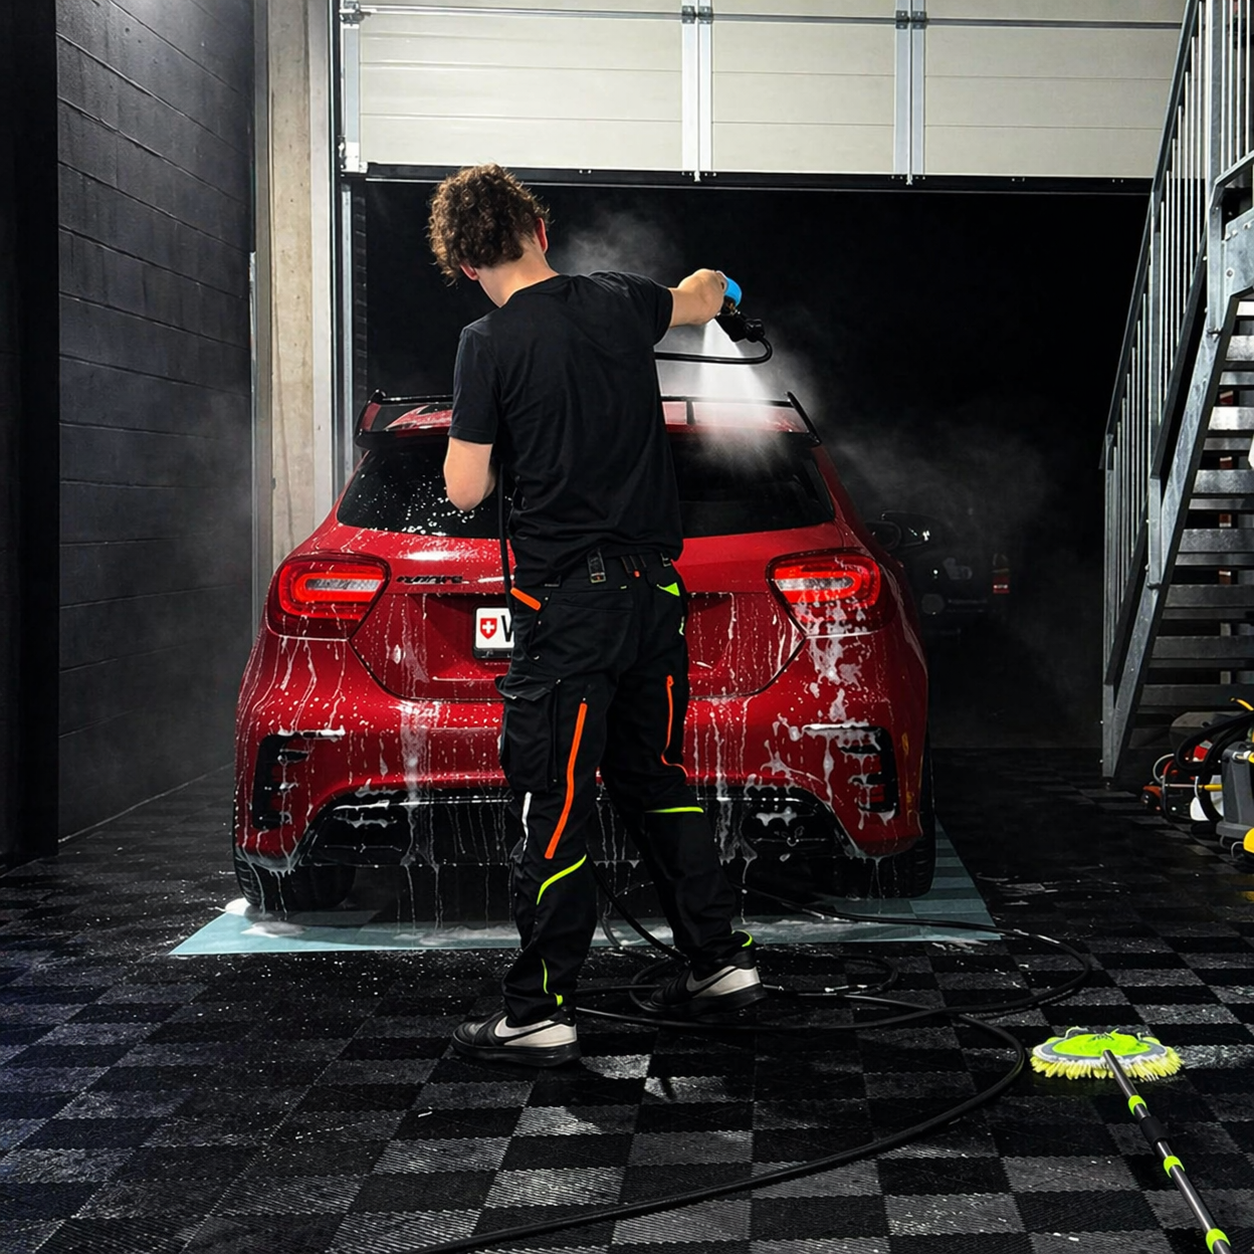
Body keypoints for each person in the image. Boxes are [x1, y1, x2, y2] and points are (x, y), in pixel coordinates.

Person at [429, 164, 763, 1067]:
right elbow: (697, 297)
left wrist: (511, 449)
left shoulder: (486, 342)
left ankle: (539, 1011)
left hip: (569, 608)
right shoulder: (618, 299)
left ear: (463, 262)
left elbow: (464, 488)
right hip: (655, 597)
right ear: (541, 226)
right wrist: (720, 285)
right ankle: (717, 963)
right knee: (655, 779)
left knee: (557, 799)